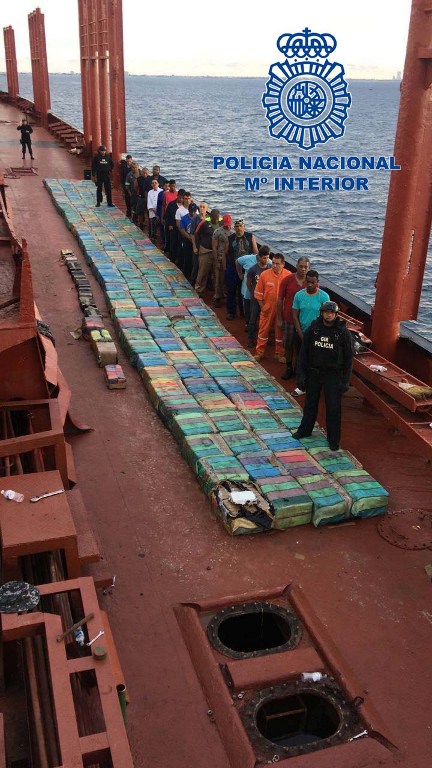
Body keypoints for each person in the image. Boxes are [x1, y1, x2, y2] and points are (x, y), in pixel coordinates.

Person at [292, 302, 354, 451]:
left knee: (333, 408)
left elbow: (349, 358)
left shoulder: (342, 333)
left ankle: (333, 439)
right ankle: (305, 430)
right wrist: (301, 375)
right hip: (314, 372)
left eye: (332, 312)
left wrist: (346, 381)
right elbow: (304, 353)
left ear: (336, 315)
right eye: (326, 312)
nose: (329, 315)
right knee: (310, 404)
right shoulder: (314, 329)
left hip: (333, 375)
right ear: (321, 313)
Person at [277, 257, 310, 379]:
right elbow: (280, 299)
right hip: (289, 319)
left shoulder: (310, 282)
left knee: (301, 345)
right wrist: (279, 318)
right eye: (301, 266)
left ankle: (298, 368)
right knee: (288, 344)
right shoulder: (287, 280)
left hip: (304, 321)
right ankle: (289, 367)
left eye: (306, 267)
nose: (303, 269)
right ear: (296, 266)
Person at [254, 253, 290, 361]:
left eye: (277, 264)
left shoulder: (288, 276)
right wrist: (262, 307)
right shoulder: (264, 275)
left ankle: (279, 353)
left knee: (280, 331)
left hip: (282, 309)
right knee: (263, 330)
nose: (274, 265)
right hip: (267, 308)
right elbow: (258, 292)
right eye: (273, 263)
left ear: (283, 264)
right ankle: (259, 352)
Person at [225, 220, 258, 320]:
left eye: (241, 226)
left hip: (246, 269)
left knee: (243, 291)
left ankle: (243, 311)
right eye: (237, 226)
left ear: (244, 227)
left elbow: (256, 252)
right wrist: (224, 267)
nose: (239, 228)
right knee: (231, 290)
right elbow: (225, 253)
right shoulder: (230, 238)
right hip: (232, 267)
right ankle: (231, 312)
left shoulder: (250, 237)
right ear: (234, 228)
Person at [246, 246, 271, 348]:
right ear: (259, 258)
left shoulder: (270, 268)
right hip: (255, 299)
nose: (266, 260)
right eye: (264, 258)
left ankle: (264, 338)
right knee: (253, 318)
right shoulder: (253, 269)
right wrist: (254, 292)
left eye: (267, 257)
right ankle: (251, 339)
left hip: (267, 299)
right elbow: (249, 283)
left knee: (266, 319)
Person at [194, 209, 221, 297]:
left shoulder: (221, 223)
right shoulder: (204, 223)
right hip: (206, 250)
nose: (216, 220)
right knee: (203, 271)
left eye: (217, 218)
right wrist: (197, 247)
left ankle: (217, 293)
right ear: (211, 217)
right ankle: (199, 290)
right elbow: (196, 234)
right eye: (214, 218)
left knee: (216, 273)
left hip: (216, 252)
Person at [212, 213, 234, 307]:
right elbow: (214, 247)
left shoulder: (234, 232)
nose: (228, 226)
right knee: (218, 278)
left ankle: (227, 296)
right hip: (220, 257)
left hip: (230, 259)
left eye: (229, 224)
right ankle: (217, 297)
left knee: (228, 279)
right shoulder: (217, 232)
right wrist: (216, 260)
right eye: (226, 224)